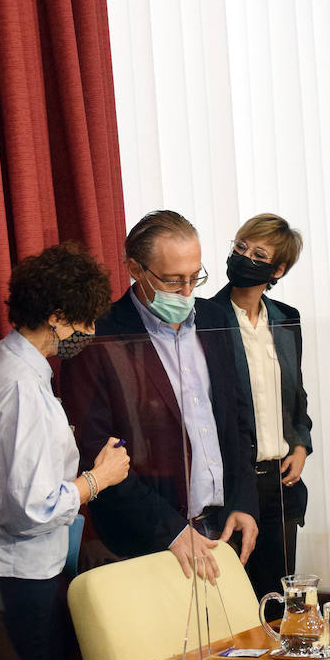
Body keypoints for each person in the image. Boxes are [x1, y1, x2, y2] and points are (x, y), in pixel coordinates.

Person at [0, 243, 129, 660]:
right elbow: (31, 508)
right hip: (10, 574)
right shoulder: (22, 387)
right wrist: (98, 479)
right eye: (85, 319)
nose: (91, 330)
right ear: (57, 317)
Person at [60, 210, 259, 585]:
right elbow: (94, 451)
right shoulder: (97, 336)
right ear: (136, 269)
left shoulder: (216, 317)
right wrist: (169, 530)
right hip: (147, 540)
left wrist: (244, 501)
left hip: (222, 528)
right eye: (172, 281)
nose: (187, 293)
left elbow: (238, 420)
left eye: (194, 277)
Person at [210, 213, 313, 600]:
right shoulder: (207, 318)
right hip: (235, 481)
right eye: (240, 247)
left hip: (282, 481)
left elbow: (296, 395)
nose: (243, 256)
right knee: (237, 601)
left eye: (257, 252)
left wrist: (301, 444)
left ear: (278, 269)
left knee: (279, 597)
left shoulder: (288, 319)